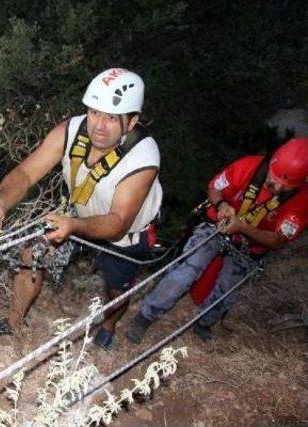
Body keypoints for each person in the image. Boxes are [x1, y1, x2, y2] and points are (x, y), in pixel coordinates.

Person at [0, 68, 162, 351]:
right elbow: (26, 174)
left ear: (131, 122)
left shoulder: (143, 156)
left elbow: (119, 222)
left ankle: (109, 325)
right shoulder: (71, 131)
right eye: (95, 112)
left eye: (112, 118)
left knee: (116, 289)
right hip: (80, 219)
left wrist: (74, 226)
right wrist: (0, 204)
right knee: (32, 253)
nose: (99, 125)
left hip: (126, 236)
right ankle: (13, 322)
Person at [125, 137, 308, 343]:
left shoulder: (301, 201)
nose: (275, 186)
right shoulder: (249, 166)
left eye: (284, 187)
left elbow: (278, 240)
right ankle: (145, 316)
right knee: (186, 272)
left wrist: (244, 228)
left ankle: (204, 323)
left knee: (226, 291)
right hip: (216, 228)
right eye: (273, 179)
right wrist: (222, 205)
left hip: (250, 247)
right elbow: (214, 187)